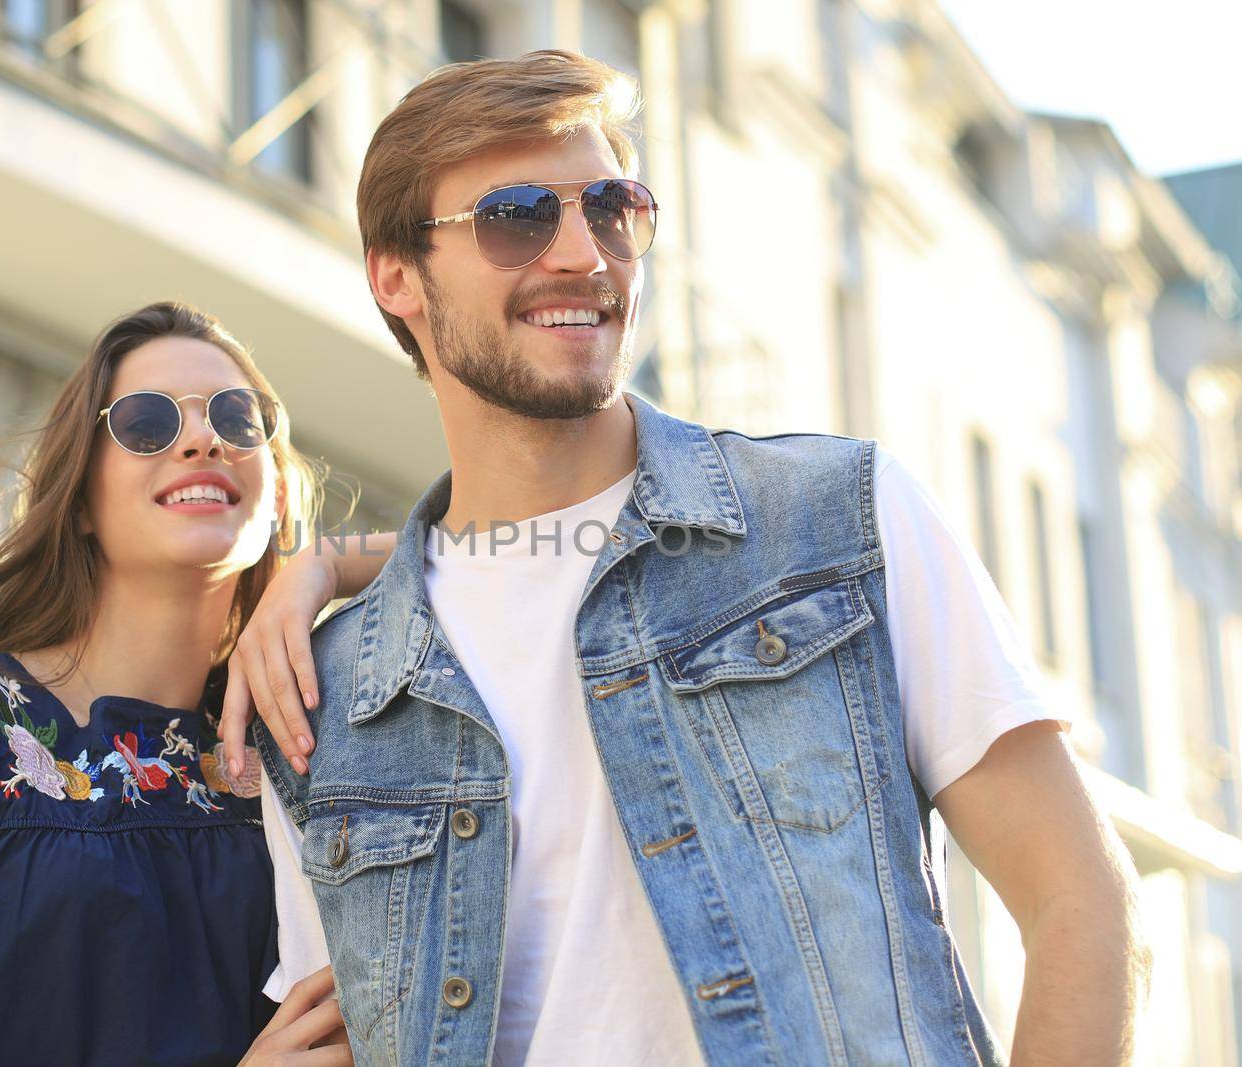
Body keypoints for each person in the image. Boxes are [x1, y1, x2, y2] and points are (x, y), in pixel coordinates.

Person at [218, 51, 1150, 1067]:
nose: (583, 253)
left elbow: (1082, 905)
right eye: (518, 215)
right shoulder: (330, 691)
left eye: (613, 209)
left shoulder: (838, 522)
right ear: (397, 276)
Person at [0, 302, 355, 1067]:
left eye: (238, 416)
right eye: (148, 422)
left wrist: (327, 562)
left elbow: (518, 555)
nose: (201, 438)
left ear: (278, 491)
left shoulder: (300, 737)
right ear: (82, 496)